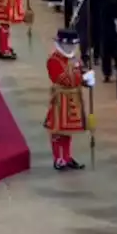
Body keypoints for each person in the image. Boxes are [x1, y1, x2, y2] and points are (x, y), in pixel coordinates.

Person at [45, 29, 92, 171]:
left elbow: (78, 72)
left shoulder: (74, 58)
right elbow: (63, 79)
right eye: (68, 45)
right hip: (61, 99)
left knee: (68, 131)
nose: (71, 48)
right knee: (58, 130)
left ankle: (66, 156)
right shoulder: (53, 60)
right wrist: (82, 78)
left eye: (73, 45)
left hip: (74, 98)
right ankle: (58, 158)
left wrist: (87, 79)